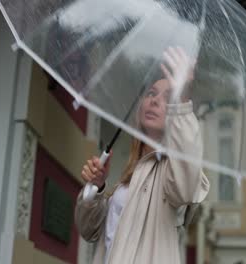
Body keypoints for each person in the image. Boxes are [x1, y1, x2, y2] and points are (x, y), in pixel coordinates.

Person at [74, 46, 210, 264]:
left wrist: (182, 98)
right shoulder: (130, 176)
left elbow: (185, 187)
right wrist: (96, 187)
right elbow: (88, 230)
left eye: (168, 97)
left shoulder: (174, 171)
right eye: (151, 93)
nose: (155, 101)